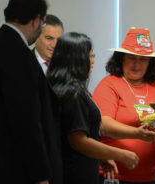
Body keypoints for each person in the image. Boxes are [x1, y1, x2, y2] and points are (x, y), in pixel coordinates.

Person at [0, 0, 62, 184]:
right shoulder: (20, 56)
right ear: (36, 20)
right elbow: (27, 122)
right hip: (13, 169)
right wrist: (41, 175)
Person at [47, 32, 140, 184]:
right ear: (76, 59)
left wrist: (101, 156)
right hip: (74, 174)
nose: (93, 61)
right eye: (90, 56)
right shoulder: (73, 93)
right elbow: (79, 141)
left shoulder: (67, 87)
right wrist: (120, 154)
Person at [92, 27, 155, 184]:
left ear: (150, 62)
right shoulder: (109, 85)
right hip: (114, 177)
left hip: (151, 178)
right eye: (131, 58)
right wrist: (137, 133)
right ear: (121, 59)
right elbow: (104, 124)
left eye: (143, 59)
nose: (137, 64)